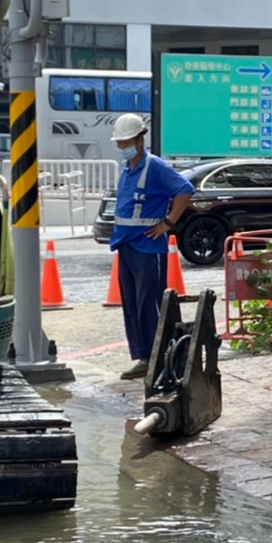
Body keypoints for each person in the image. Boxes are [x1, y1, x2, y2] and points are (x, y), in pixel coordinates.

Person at [108, 112, 193, 381]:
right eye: (119, 143)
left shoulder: (154, 166)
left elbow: (185, 189)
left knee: (149, 305)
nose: (122, 147)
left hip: (147, 247)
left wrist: (167, 223)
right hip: (126, 246)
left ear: (140, 139)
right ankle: (144, 358)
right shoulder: (127, 170)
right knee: (132, 305)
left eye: (126, 141)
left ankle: (159, 358)